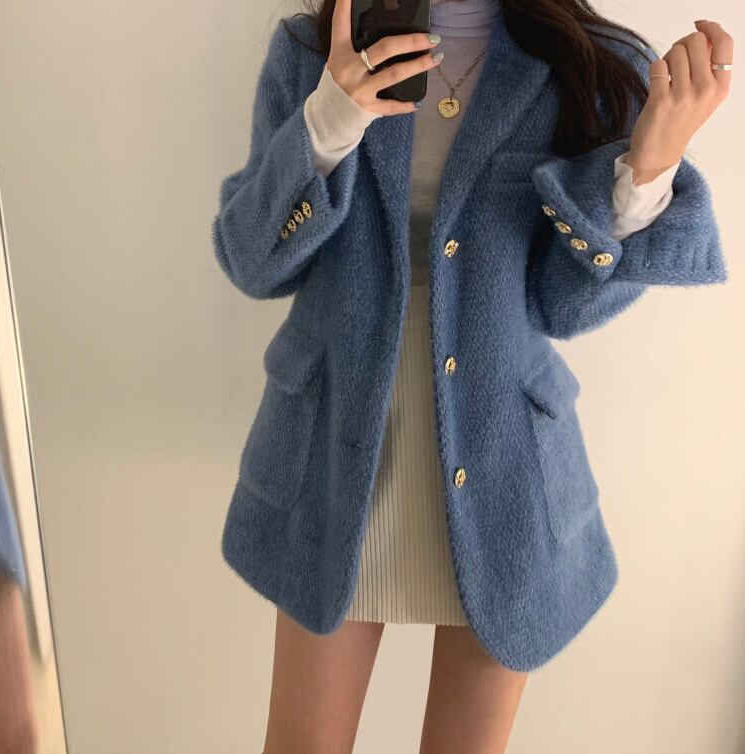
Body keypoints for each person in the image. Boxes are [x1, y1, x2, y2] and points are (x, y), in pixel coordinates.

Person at [210, 0, 733, 752]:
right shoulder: (316, 46)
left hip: (504, 477)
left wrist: (645, 173)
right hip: (333, 461)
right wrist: (327, 124)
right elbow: (253, 261)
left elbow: (561, 307)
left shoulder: (588, 64)